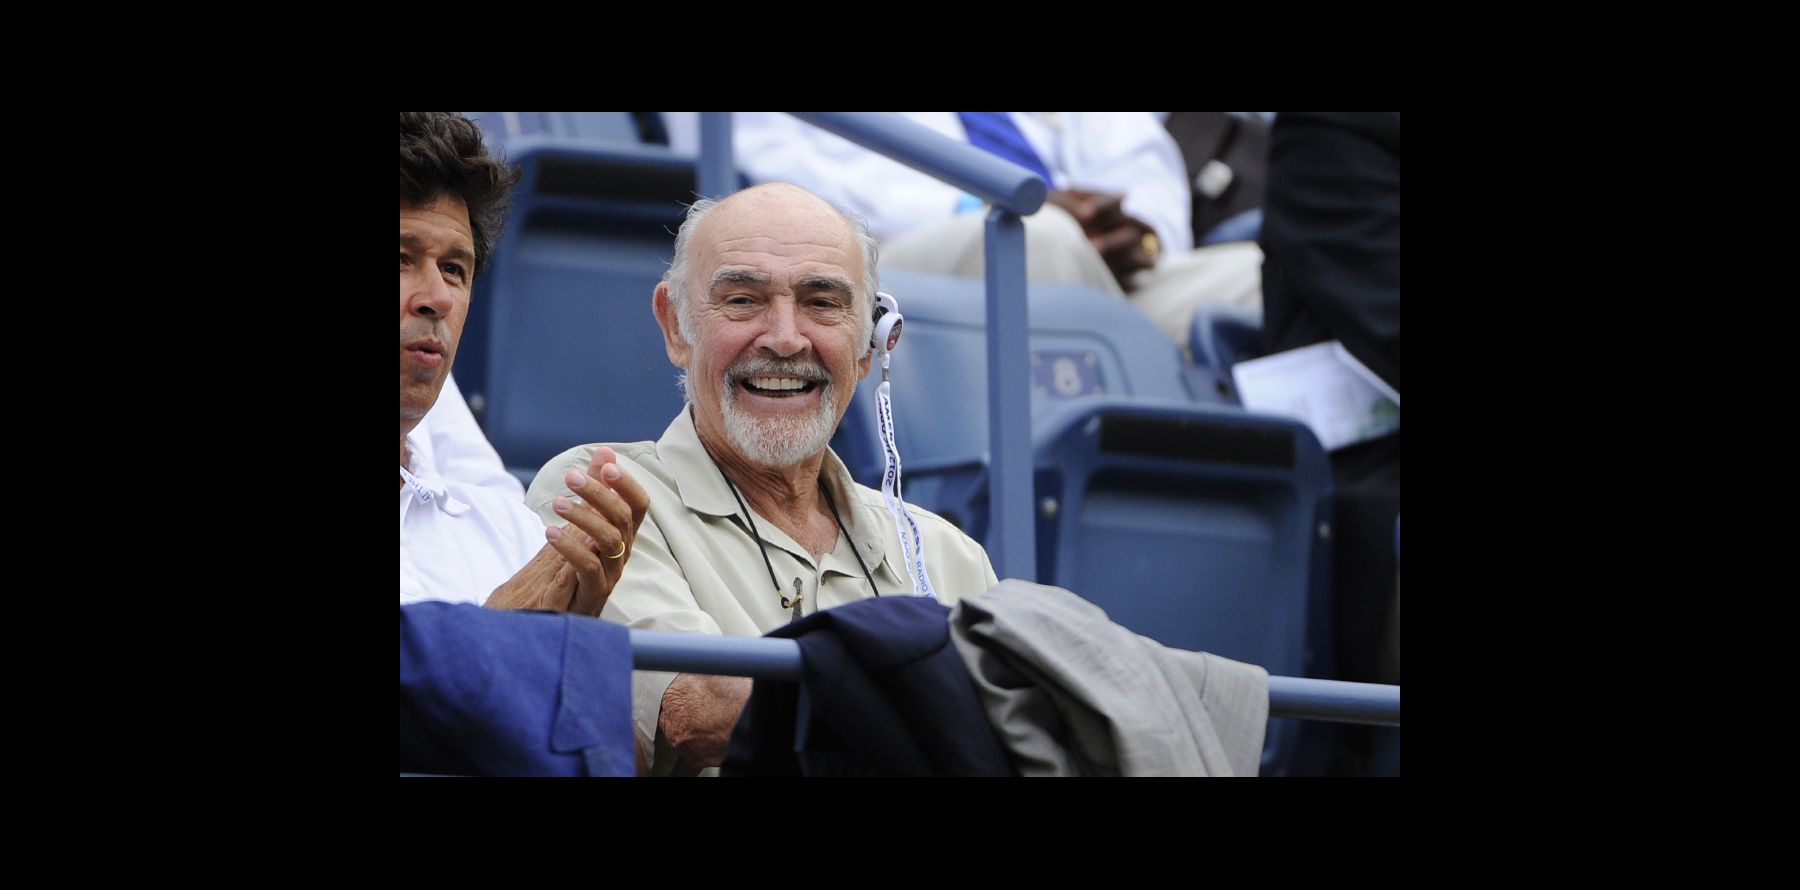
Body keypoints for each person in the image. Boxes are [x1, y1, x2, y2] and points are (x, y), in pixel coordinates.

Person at [527, 183, 998, 775]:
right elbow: (701, 710)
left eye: (821, 303)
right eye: (743, 300)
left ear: (871, 343)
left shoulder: (949, 555)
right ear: (675, 327)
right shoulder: (602, 490)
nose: (784, 338)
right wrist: (946, 723)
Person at [666, 112, 1262, 351]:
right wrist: (987, 200)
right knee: (1036, 240)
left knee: (1260, 276)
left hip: (1091, 255)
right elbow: (765, 181)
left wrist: (1140, 231)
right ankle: (1112, 472)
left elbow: (1134, 149)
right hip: (876, 253)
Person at [399, 111, 649, 614]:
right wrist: (499, 639)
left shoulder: (513, 534)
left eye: (454, 269)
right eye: (402, 259)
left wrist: (566, 637)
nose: (438, 298)